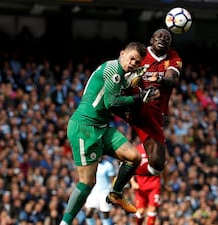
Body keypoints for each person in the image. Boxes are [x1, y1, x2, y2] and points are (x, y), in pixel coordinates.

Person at [59, 42, 160, 225]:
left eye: (137, 63)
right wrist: (139, 98)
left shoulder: (121, 75)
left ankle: (116, 194)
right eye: (131, 58)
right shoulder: (113, 70)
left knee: (133, 157)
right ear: (122, 54)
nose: (133, 64)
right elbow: (111, 103)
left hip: (101, 127)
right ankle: (65, 222)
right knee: (87, 182)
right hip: (85, 128)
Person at [129, 28, 183, 176]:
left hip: (158, 112)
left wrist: (159, 79)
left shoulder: (173, 57)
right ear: (151, 40)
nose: (162, 39)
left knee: (157, 166)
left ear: (169, 44)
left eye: (166, 38)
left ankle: (129, 171)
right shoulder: (141, 55)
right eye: (158, 36)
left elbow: (171, 79)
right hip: (140, 107)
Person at [130, 144, 163, 225]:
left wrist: (166, 181)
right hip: (140, 186)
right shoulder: (137, 150)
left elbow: (164, 167)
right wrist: (133, 182)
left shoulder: (158, 149)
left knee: (152, 209)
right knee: (140, 211)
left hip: (154, 185)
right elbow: (129, 167)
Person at [84, 156, 116, 225]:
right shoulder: (91, 164)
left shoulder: (108, 165)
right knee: (88, 213)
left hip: (104, 192)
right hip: (93, 192)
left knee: (105, 214)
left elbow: (113, 180)